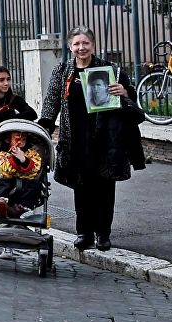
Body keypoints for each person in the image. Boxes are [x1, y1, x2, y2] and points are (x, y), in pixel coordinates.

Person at [39, 27, 145, 251]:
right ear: (70, 47)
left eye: (85, 43)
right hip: (75, 140)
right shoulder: (63, 70)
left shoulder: (110, 70)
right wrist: (44, 126)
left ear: (93, 45)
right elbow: (51, 103)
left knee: (105, 188)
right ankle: (84, 232)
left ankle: (103, 233)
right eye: (76, 44)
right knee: (81, 188)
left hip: (106, 141)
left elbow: (132, 98)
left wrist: (124, 92)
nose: (81, 48)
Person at [0, 129, 44, 218]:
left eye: (23, 140)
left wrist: (24, 159)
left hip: (28, 180)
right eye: (17, 139)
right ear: (7, 140)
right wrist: (16, 158)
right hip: (8, 180)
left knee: (36, 186)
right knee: (0, 183)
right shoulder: (2, 153)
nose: (20, 142)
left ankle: (20, 208)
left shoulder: (32, 153)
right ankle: (1, 202)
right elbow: (6, 168)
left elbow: (36, 168)